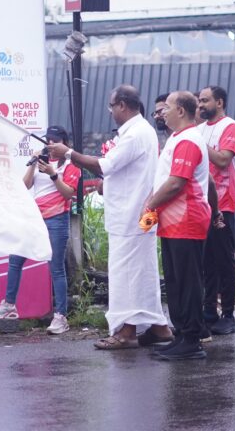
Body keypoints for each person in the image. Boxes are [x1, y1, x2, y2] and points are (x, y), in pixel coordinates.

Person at [45, 86, 172, 348]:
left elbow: (104, 165)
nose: (111, 111)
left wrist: (67, 153)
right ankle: (159, 327)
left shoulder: (135, 134)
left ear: (123, 105)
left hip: (132, 217)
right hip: (138, 215)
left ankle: (126, 332)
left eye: (111, 106)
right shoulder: (141, 132)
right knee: (142, 272)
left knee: (126, 274)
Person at [0, 126, 81, 334]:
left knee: (56, 267)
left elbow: (68, 194)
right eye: (47, 140)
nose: (50, 144)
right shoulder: (42, 161)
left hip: (57, 219)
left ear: (64, 143)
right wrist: (32, 164)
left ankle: (60, 316)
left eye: (55, 141)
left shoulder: (71, 165)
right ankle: (9, 304)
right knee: (16, 258)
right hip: (34, 217)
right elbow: (25, 185)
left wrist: (53, 175)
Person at [144, 92, 215, 360]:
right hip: (173, 221)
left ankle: (192, 339)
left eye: (168, 108)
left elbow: (176, 183)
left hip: (187, 218)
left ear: (182, 111)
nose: (162, 112)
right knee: (175, 280)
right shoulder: (177, 138)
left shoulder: (188, 140)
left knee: (188, 281)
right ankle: (183, 334)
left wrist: (150, 205)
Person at [198, 86, 235, 335]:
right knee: (207, 263)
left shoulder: (230, 127)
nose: (201, 105)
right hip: (200, 205)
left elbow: (224, 159)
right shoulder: (199, 129)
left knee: (225, 261)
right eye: (199, 101)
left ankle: (228, 314)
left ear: (220, 102)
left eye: (205, 100)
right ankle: (208, 311)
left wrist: (198, 144)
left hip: (223, 205)